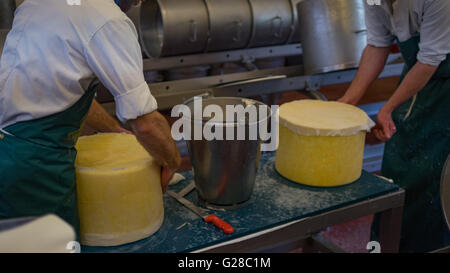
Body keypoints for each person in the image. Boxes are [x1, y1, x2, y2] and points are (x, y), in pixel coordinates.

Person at [0, 0, 181, 236]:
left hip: (9, 153)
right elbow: (145, 123)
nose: (139, 2)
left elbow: (63, 90)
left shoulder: (41, 3)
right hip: (34, 169)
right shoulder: (108, 20)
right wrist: (171, 161)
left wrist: (114, 130)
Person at [339, 0, 450, 252]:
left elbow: (430, 59)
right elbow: (378, 44)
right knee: (395, 170)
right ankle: (385, 246)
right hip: (419, 78)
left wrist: (387, 108)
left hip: (443, 87)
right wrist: (348, 100)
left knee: (435, 180)